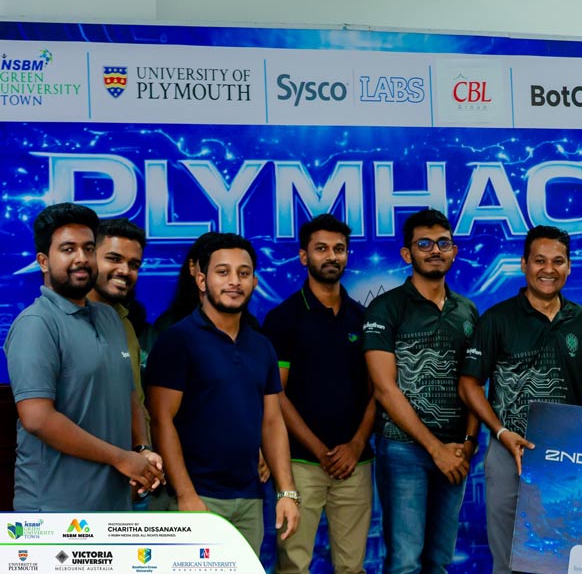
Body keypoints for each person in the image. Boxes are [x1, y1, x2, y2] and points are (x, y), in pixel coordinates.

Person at [459, 225, 582, 574]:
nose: (548, 269)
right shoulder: (497, 319)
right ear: (524, 264)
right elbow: (469, 384)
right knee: (506, 560)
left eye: (558, 261)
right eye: (539, 260)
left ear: (569, 266)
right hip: (508, 450)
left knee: (560, 557)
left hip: (563, 458)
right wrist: (501, 432)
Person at [147, 232, 300, 555]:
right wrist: (186, 495)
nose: (234, 281)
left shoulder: (262, 346)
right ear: (202, 280)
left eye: (243, 273)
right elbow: (161, 420)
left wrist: (286, 492)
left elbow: (272, 422)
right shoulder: (177, 340)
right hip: (196, 499)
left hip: (249, 499)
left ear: (254, 282)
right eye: (223, 272)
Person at [4, 203, 163, 511]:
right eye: (68, 249)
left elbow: (129, 394)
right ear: (43, 261)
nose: (81, 258)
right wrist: (121, 458)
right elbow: (38, 419)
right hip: (54, 510)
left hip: (114, 504)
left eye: (88, 248)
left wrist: (142, 448)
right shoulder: (36, 323)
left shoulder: (110, 318)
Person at [362, 209, 480, 574]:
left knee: (438, 562)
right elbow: (384, 389)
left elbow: (475, 384)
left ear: (454, 251)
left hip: (456, 452)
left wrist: (468, 444)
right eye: (424, 244)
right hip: (403, 450)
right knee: (405, 563)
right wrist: (434, 449)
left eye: (443, 243)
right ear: (407, 253)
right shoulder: (386, 308)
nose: (435, 251)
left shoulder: (468, 311)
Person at [263, 214, 375, 574]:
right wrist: (318, 449)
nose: (331, 256)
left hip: (355, 465)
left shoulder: (365, 318)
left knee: (352, 568)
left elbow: (379, 391)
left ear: (347, 256)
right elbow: (276, 394)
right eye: (321, 248)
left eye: (339, 249)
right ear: (303, 256)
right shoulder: (283, 318)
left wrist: (356, 445)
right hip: (299, 464)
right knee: (294, 566)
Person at [88, 218, 149, 426]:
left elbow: (137, 402)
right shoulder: (59, 320)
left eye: (134, 265)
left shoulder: (125, 324)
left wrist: (144, 443)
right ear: (89, 258)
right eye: (114, 259)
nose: (125, 270)